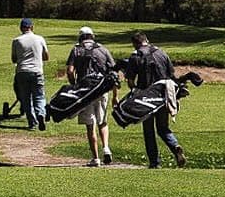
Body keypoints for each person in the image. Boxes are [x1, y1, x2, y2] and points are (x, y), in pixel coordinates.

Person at [124, 31, 187, 169]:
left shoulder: (135, 56)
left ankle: (154, 162)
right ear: (147, 40)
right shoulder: (162, 53)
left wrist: (134, 92)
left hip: (145, 98)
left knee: (149, 130)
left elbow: (130, 81)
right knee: (163, 128)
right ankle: (175, 145)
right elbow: (171, 74)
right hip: (163, 95)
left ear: (135, 44)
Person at [66, 26, 117, 167]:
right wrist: (114, 94)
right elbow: (113, 70)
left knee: (90, 125)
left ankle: (95, 158)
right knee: (103, 121)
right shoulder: (103, 49)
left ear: (80, 37)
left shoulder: (76, 50)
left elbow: (70, 71)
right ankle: (106, 148)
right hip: (101, 89)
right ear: (92, 36)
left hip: (85, 91)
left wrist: (74, 85)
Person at [11, 16, 49, 131]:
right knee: (39, 96)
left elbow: (14, 59)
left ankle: (32, 123)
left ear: (21, 28)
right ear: (32, 27)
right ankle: (41, 114)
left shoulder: (16, 41)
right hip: (37, 71)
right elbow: (46, 57)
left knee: (26, 98)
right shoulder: (40, 39)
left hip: (22, 72)